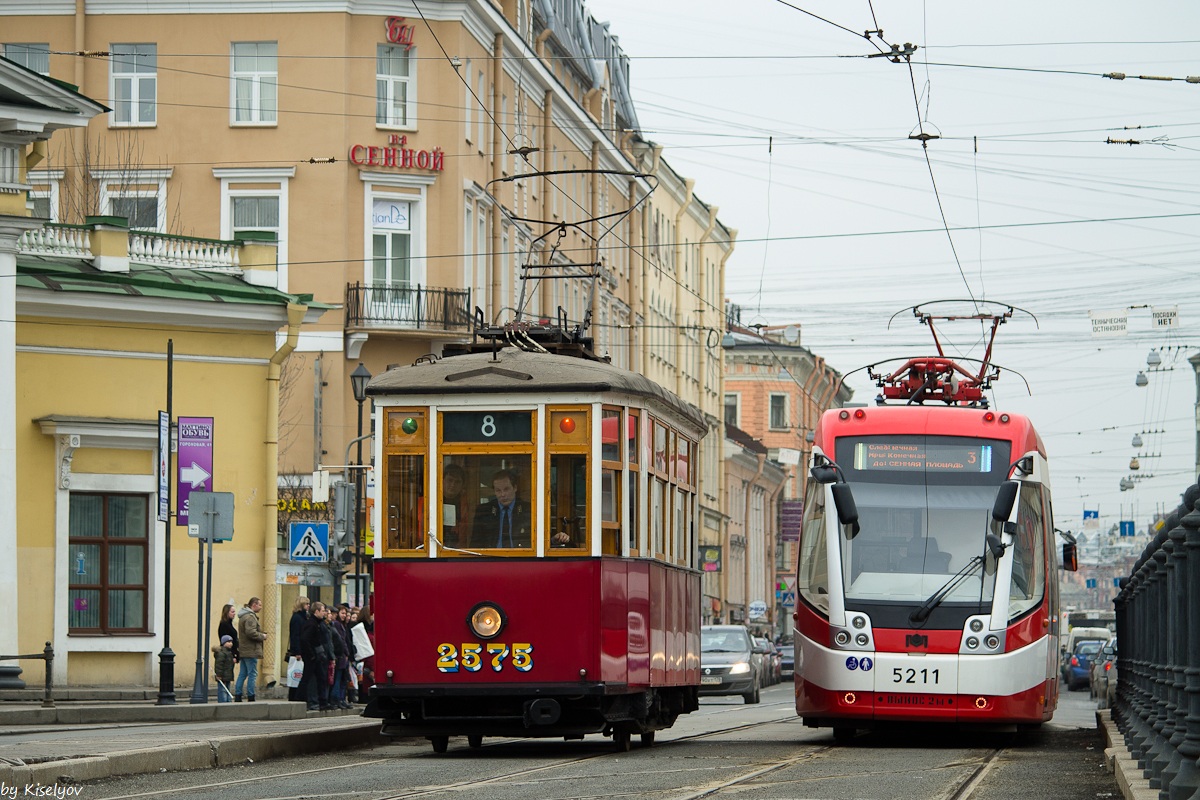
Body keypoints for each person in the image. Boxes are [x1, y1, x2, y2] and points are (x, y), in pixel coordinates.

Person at [470, 469, 533, 548]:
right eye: (498, 490)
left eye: (506, 489)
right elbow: (475, 544)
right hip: (491, 558)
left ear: (515, 488)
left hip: (520, 558)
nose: (502, 494)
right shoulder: (484, 511)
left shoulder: (528, 510)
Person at [300, 601, 333, 712]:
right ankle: (303, 700)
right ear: (316, 611)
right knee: (308, 678)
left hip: (318, 656)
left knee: (321, 678)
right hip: (312, 657)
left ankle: (322, 702)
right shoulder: (311, 624)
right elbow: (305, 639)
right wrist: (311, 655)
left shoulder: (319, 623)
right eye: (323, 611)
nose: (324, 613)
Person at [235, 596, 268, 702]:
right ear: (254, 605)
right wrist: (262, 636)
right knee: (252, 673)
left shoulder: (244, 616)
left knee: (243, 673)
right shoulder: (250, 617)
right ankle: (251, 696)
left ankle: (238, 695)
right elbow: (250, 632)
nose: (261, 607)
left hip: (244, 650)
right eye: (260, 605)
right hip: (251, 650)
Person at [286, 596, 310, 702]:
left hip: (303, 649)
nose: (308, 606)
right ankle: (294, 696)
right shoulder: (297, 618)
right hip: (298, 651)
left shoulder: (304, 617)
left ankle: (299, 695)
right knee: (295, 675)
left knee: (300, 675)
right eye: (306, 604)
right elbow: (295, 636)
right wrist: (297, 652)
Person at [441, 462, 467, 547]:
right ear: (442, 480)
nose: (453, 485)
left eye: (457, 482)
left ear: (462, 485)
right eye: (450, 480)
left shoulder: (468, 505)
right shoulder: (427, 502)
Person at [212, 634, 235, 703]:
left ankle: (228, 701)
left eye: (231, 642)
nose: (231, 644)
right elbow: (219, 665)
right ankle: (222, 702)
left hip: (227, 675)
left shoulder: (228, 653)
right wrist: (218, 675)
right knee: (222, 690)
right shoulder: (222, 653)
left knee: (227, 689)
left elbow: (228, 664)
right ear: (223, 643)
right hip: (222, 676)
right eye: (228, 642)